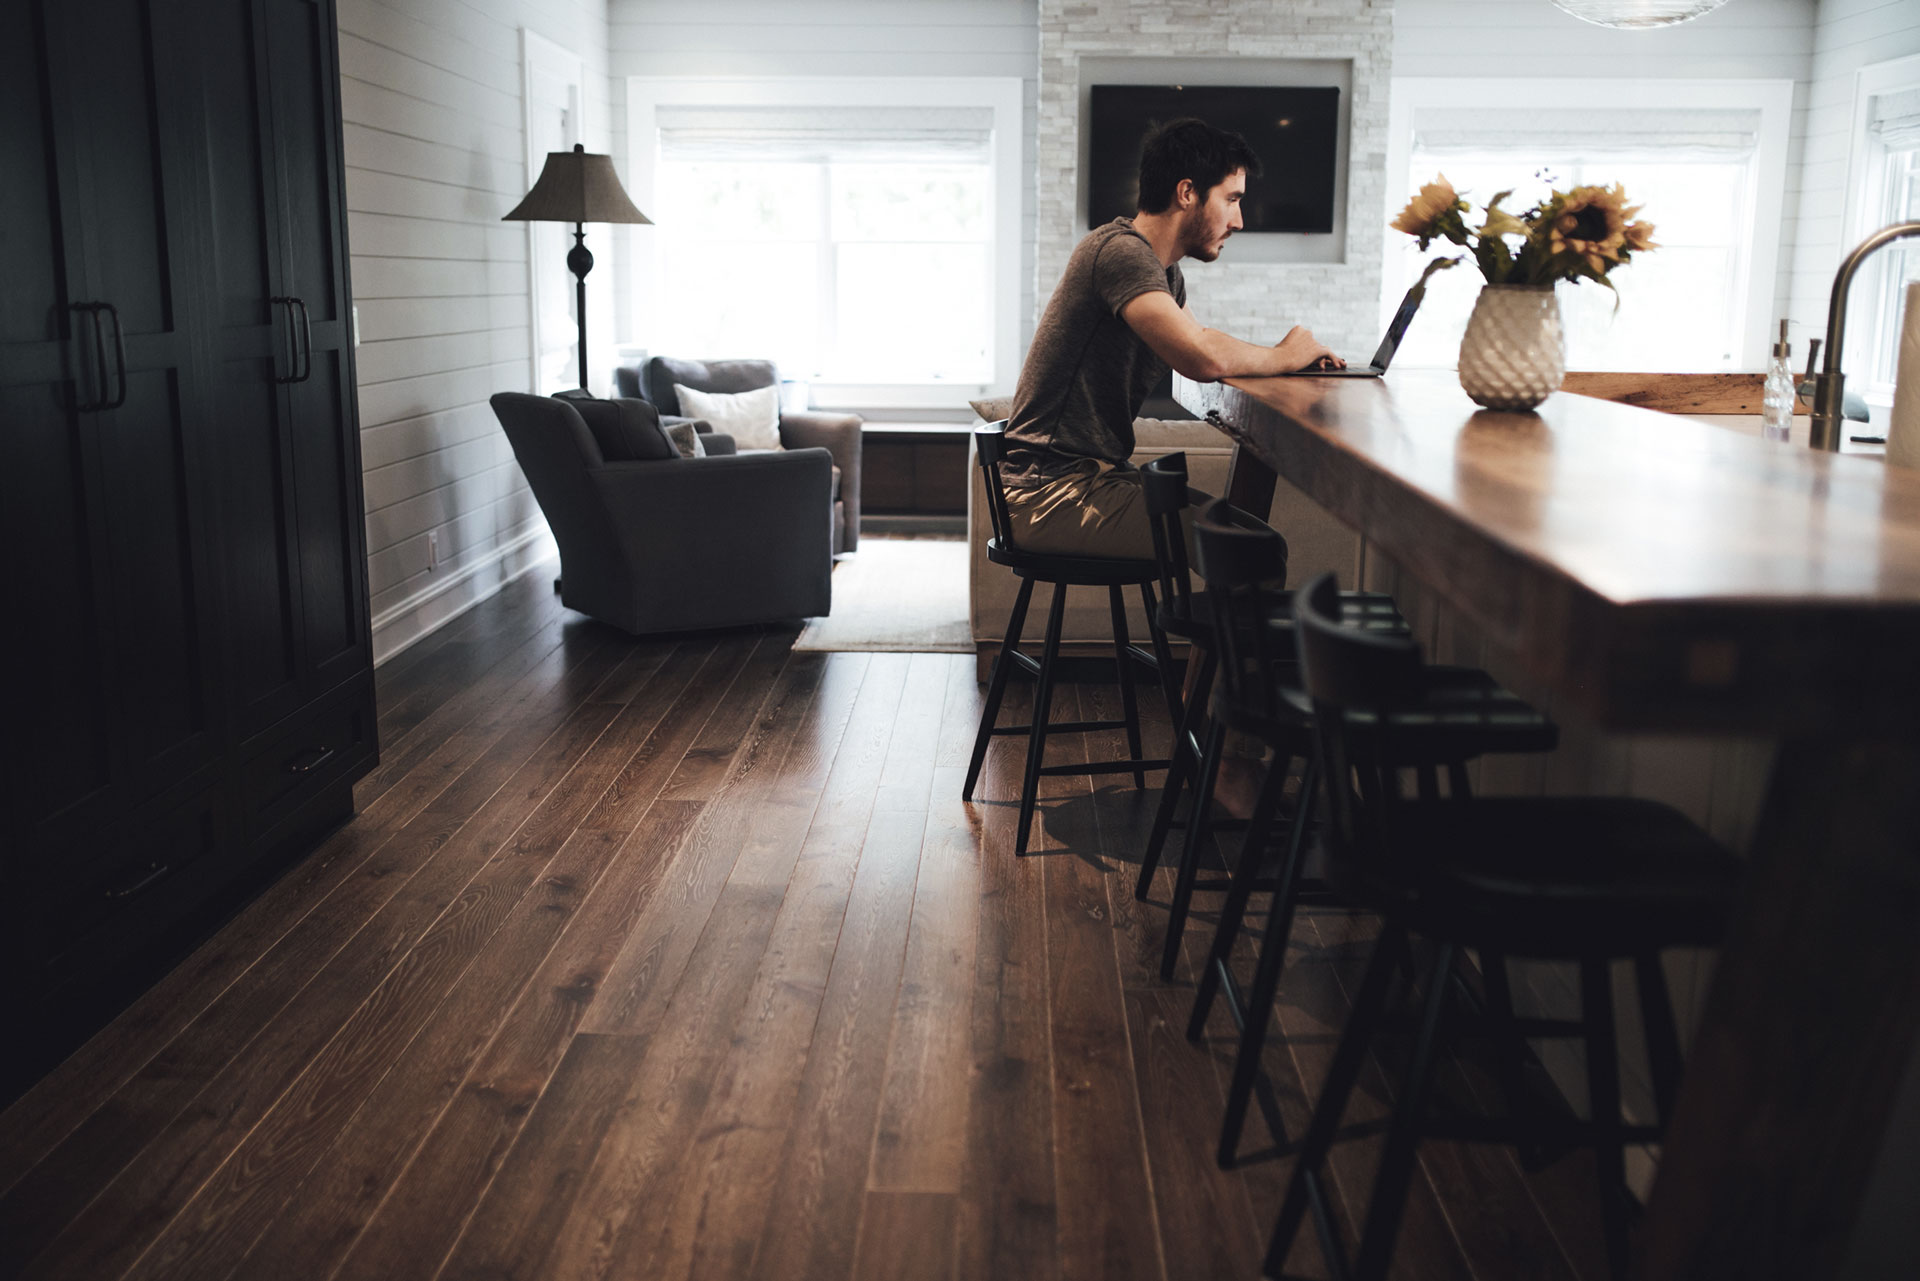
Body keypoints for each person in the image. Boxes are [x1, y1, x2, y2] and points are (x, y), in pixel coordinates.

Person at [1000, 117, 1342, 560]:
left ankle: (1219, 631)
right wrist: (1285, 355)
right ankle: (1227, 632)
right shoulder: (1120, 253)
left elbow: (1197, 337)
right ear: (1187, 193)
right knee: (1253, 550)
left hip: (1091, 480)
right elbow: (1201, 358)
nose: (1239, 220)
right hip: (1050, 496)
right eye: (1232, 199)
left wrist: (1288, 356)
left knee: (1249, 532)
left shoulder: (1159, 268)